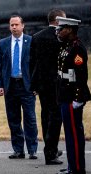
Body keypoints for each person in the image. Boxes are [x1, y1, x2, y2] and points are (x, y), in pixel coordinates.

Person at [0, 15, 38, 159]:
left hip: (27, 86)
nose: (14, 27)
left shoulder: (31, 41)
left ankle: (32, 149)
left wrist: (36, 84)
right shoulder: (3, 43)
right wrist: (0, 85)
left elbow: (36, 65)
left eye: (16, 24)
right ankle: (18, 150)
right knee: (13, 119)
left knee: (30, 119)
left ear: (22, 26)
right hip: (10, 86)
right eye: (11, 25)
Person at [55, 16, 91, 174]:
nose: (58, 31)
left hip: (72, 97)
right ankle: (72, 165)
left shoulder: (77, 48)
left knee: (74, 134)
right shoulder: (67, 46)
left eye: (61, 28)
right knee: (69, 133)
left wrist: (78, 98)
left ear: (69, 29)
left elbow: (81, 75)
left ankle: (77, 169)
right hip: (65, 94)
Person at [30, 9, 66, 165]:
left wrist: (34, 84)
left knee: (46, 117)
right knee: (56, 118)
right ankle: (50, 152)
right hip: (57, 84)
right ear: (58, 21)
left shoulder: (36, 37)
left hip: (43, 85)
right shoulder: (60, 38)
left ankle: (50, 147)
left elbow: (32, 63)